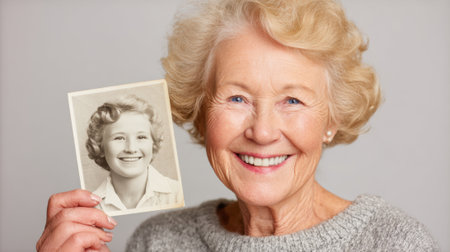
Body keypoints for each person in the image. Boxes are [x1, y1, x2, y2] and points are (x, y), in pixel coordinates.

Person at [36, 0, 439, 251]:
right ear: (201, 110)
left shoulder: (394, 244)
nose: (262, 132)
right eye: (237, 98)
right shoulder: (157, 243)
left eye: (292, 100)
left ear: (331, 120)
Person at [86, 95, 180, 212]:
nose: (131, 148)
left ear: (153, 143)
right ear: (101, 146)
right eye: (119, 138)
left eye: (141, 137)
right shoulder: (91, 207)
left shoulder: (178, 194)